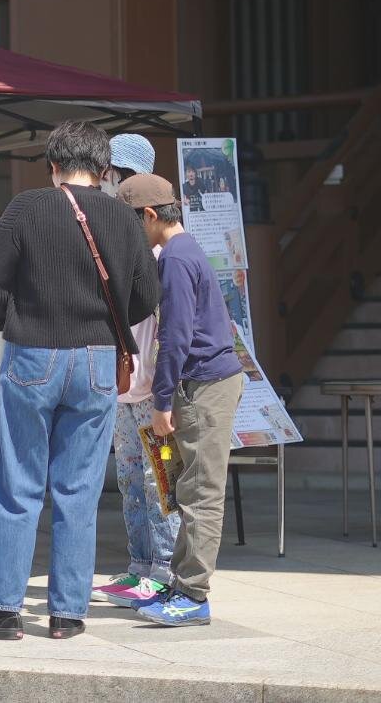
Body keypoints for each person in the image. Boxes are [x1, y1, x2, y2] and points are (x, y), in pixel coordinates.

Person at [0, 120, 160, 642]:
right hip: (98, 360)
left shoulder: (27, 207)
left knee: (16, 485)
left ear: (53, 164)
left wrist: (11, 319)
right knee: (79, 490)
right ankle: (68, 614)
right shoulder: (121, 216)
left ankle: (3, 612)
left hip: (34, 354)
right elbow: (147, 292)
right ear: (103, 168)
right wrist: (112, 319)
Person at [117, 174, 245, 627]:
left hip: (205, 385)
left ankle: (193, 594)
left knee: (201, 494)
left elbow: (174, 337)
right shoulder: (185, 251)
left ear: (150, 216)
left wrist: (162, 400)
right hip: (207, 382)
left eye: (131, 224)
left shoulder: (174, 258)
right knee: (190, 490)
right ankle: (181, 584)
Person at [92, 135, 182, 611]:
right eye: (113, 174)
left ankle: (165, 570)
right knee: (130, 479)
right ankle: (139, 565)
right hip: (125, 384)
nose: (116, 185)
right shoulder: (116, 237)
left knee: (158, 480)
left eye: (123, 176)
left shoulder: (163, 251)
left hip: (152, 388)